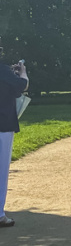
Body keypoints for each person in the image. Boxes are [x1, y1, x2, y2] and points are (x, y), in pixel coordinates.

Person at [0, 48, 29, 228]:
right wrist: (22, 73)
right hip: (2, 125)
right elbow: (22, 86)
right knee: (1, 170)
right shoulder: (2, 70)